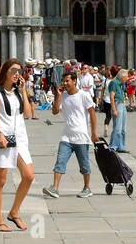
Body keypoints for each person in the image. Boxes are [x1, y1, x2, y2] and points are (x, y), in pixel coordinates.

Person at [0, 59, 34, 232]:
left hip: (20, 139)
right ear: (5, 71)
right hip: (2, 139)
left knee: (28, 176)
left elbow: (28, 114)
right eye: (14, 70)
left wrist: (23, 92)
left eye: (20, 71)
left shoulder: (17, 92)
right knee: (1, 180)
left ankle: (14, 212)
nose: (17, 74)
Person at [43, 70, 100, 199]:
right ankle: (55, 188)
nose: (65, 83)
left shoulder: (83, 95)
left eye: (67, 81)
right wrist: (58, 95)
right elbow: (55, 112)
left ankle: (87, 188)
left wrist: (94, 133)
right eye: (63, 81)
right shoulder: (63, 96)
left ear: (74, 81)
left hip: (81, 136)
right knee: (60, 162)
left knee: (84, 165)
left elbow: (92, 113)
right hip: (66, 136)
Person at [108, 69, 129, 152]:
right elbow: (111, 97)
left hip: (122, 104)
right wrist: (114, 109)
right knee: (118, 127)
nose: (126, 79)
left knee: (123, 128)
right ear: (122, 76)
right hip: (117, 104)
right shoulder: (114, 83)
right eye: (126, 77)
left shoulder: (120, 84)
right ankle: (113, 146)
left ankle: (121, 146)